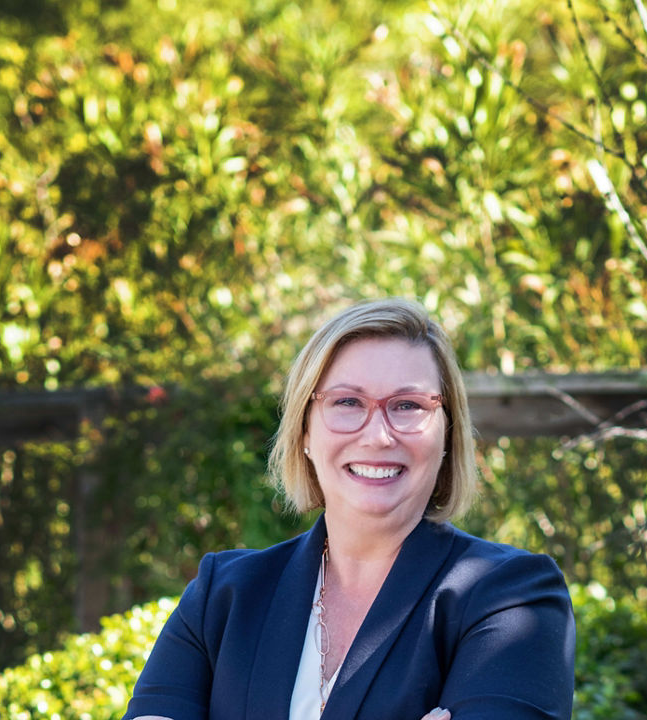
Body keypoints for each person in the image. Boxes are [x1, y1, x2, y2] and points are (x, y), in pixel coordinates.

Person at [124, 298, 575, 720]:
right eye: (347, 402)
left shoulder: (510, 599)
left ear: (447, 435)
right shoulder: (222, 597)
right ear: (303, 431)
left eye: (407, 405)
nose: (378, 435)